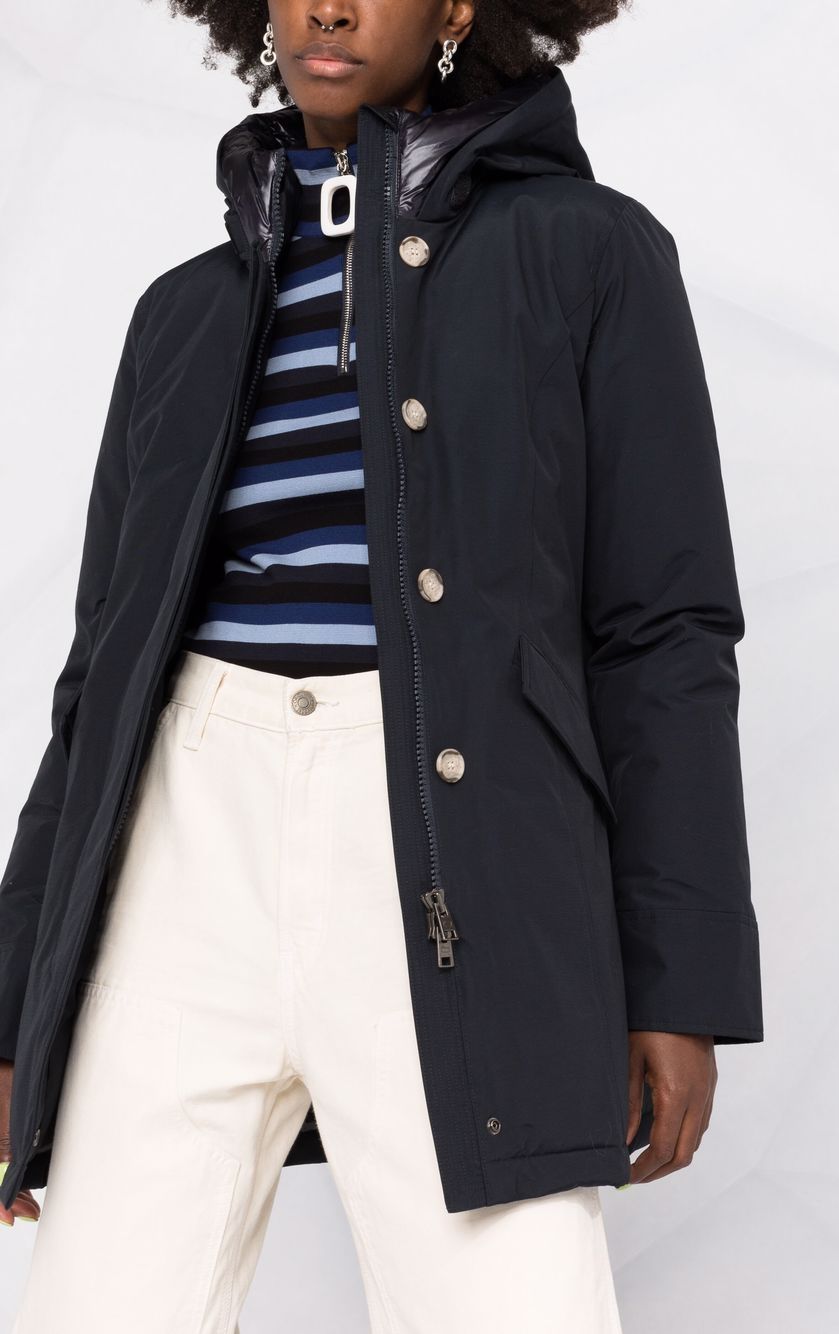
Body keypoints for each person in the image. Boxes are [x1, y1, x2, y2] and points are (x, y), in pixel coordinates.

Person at [0, 0, 764, 1329]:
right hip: (185, 847)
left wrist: (679, 981)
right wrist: (19, 1001)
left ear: (460, 7)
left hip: (453, 847)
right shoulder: (180, 315)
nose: (330, 7)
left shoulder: (585, 251)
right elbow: (99, 687)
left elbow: (663, 631)